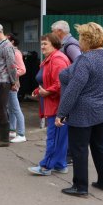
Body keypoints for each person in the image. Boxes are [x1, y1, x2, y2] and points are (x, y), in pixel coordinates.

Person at [55, 22, 103, 198]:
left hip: (83, 111)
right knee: (101, 146)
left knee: (79, 148)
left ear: (86, 39)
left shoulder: (85, 59)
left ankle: (80, 187)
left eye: (81, 38)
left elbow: (73, 88)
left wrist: (62, 113)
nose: (79, 41)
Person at [28, 33, 70, 175]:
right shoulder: (51, 58)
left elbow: (60, 83)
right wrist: (38, 90)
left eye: (45, 43)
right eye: (42, 43)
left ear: (54, 44)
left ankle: (46, 166)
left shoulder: (57, 59)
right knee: (59, 136)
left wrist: (47, 92)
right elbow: (47, 81)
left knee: (54, 137)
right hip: (55, 104)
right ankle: (60, 164)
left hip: (57, 106)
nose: (42, 46)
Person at [51, 20, 81, 164]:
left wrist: (67, 76)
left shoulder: (70, 45)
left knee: (68, 120)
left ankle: (70, 155)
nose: (52, 34)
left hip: (69, 88)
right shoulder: (66, 44)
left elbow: (79, 63)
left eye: (53, 31)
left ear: (59, 31)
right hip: (66, 87)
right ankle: (68, 153)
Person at [7, 33, 27, 143]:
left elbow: (23, 69)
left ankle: (21, 133)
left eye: (7, 39)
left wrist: (12, 76)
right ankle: (12, 130)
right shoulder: (10, 51)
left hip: (13, 84)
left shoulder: (16, 52)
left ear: (12, 41)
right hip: (9, 84)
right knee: (10, 107)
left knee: (15, 108)